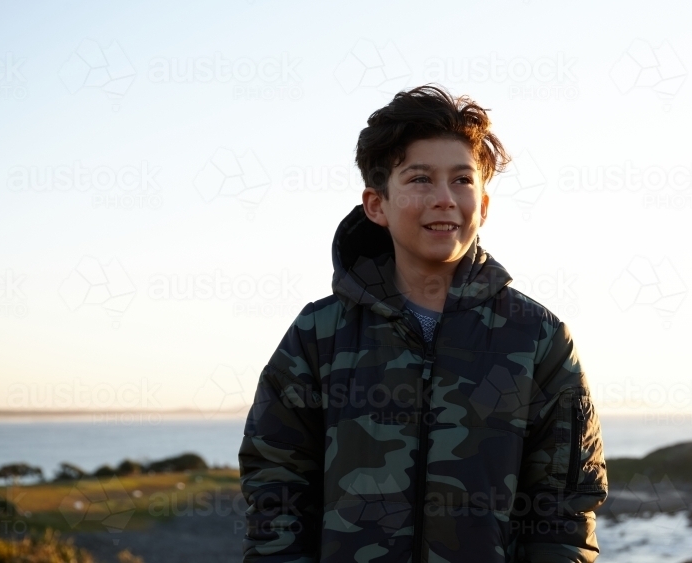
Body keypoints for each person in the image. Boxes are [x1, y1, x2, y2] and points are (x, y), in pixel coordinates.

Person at [239, 84, 607, 562]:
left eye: (462, 180)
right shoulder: (317, 336)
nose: (444, 199)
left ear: (485, 204)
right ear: (377, 205)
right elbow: (276, 493)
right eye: (419, 180)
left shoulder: (537, 338)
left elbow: (565, 510)